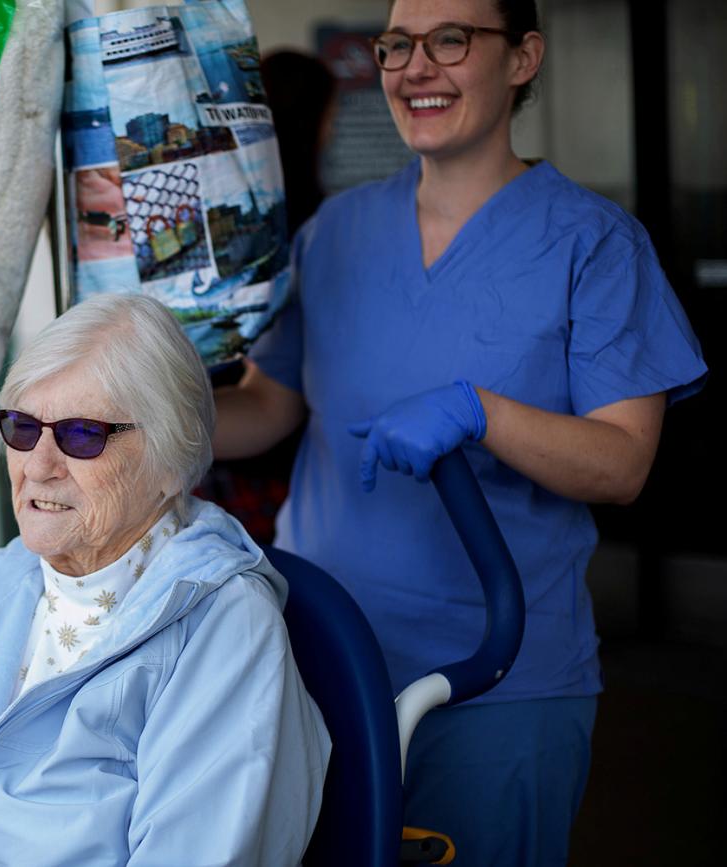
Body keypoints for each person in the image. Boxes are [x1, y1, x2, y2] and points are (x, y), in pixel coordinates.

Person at [213, 1, 708, 864]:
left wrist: (484, 412)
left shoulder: (592, 246)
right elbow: (271, 405)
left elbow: (624, 461)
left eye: (450, 40)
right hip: (316, 656)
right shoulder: (334, 235)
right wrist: (140, 416)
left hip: (495, 681)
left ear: (522, 58)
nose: (415, 68)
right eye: (399, 45)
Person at [0, 294, 331, 866]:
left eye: (82, 435)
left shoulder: (222, 628)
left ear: (172, 458)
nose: (39, 465)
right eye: (21, 427)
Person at [195, 50, 336, 544]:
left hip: (214, 434)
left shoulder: (223, 217)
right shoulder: (321, 227)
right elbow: (273, 403)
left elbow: (271, 402)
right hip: (272, 454)